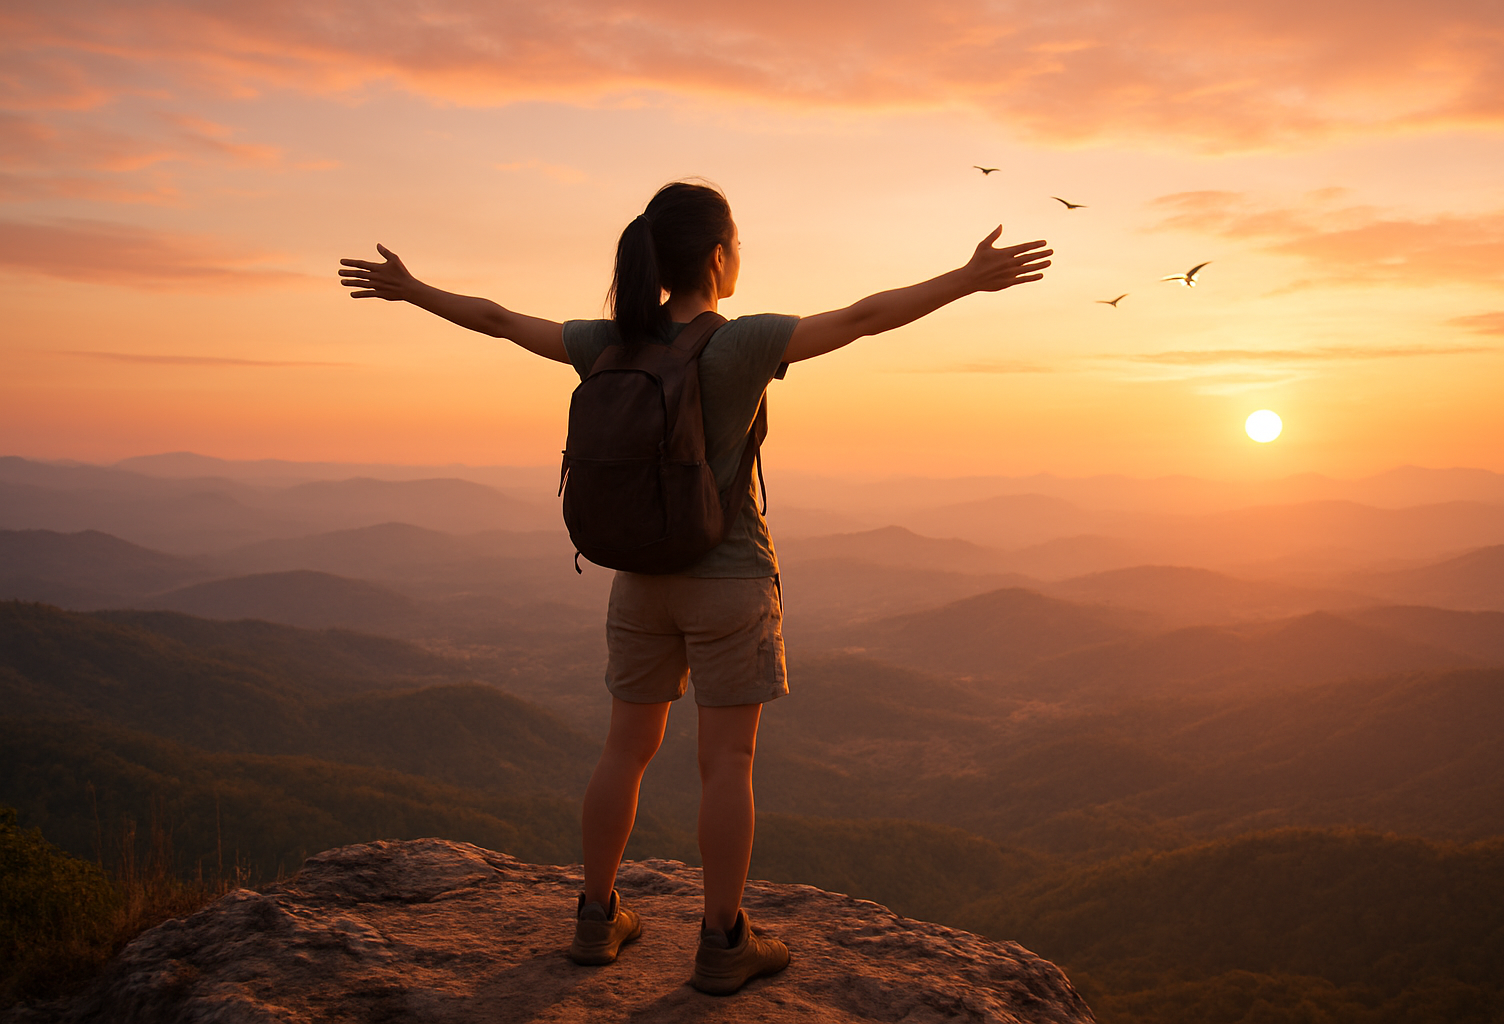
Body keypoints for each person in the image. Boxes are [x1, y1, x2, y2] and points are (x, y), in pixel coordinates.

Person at [338, 181, 1051, 995]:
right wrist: (965, 278)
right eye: (738, 242)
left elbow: (501, 320)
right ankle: (721, 942)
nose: (741, 254)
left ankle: (596, 920)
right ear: (717, 256)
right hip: (728, 578)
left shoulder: (610, 340)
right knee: (727, 762)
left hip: (638, 579)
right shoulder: (740, 344)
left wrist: (414, 289)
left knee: (623, 750)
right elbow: (860, 317)